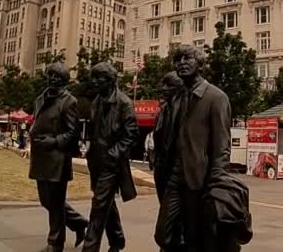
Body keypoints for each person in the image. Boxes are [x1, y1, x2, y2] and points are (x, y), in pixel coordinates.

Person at [155, 46, 251, 252]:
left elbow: (222, 145)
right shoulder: (178, 97)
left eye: (187, 58)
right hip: (174, 177)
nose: (181, 63)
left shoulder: (216, 97)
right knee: (164, 234)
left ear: (199, 63)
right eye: (178, 59)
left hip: (200, 179)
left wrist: (216, 183)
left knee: (195, 236)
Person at [28, 63, 88, 252]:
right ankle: (78, 223)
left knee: (55, 202)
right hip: (40, 157)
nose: (53, 79)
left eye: (58, 77)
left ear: (64, 81)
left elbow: (73, 133)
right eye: (51, 75)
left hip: (57, 158)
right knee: (47, 201)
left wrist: (53, 142)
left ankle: (55, 243)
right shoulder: (40, 99)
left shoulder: (69, 101)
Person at [82, 63, 140, 252]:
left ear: (110, 80)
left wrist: (114, 153)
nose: (96, 81)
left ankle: (90, 248)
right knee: (106, 202)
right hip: (96, 161)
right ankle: (117, 240)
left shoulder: (123, 103)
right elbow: (93, 129)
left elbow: (131, 134)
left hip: (112, 163)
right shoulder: (97, 100)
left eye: (100, 78)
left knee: (99, 204)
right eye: (95, 77)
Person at [153, 72, 184, 203]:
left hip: (178, 172)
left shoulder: (186, 110)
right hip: (162, 169)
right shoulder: (162, 112)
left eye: (169, 85)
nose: (164, 88)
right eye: (163, 84)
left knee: (168, 218)